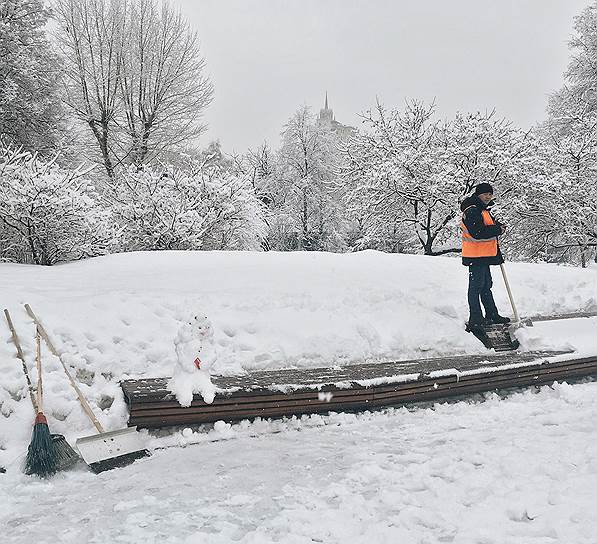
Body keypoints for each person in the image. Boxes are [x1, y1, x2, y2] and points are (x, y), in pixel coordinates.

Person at [460, 183, 511, 329]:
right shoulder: (472, 210)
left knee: (486, 286)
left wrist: (498, 226)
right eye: (485, 194)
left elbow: (488, 225)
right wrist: (497, 229)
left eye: (490, 194)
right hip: (475, 256)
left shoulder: (483, 210)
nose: (488, 197)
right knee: (476, 287)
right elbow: (478, 232)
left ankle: (492, 314)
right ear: (478, 195)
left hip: (484, 255)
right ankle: (475, 317)